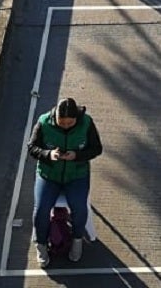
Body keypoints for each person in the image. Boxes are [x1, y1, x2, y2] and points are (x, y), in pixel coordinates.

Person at [29, 96, 105, 266]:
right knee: (41, 209)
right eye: (61, 122)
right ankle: (41, 244)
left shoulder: (87, 123)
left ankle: (77, 240)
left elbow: (96, 148)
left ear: (76, 119)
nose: (65, 126)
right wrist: (49, 155)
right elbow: (32, 148)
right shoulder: (43, 122)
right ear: (55, 116)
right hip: (48, 175)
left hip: (76, 175)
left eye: (69, 123)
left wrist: (77, 156)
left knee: (79, 207)